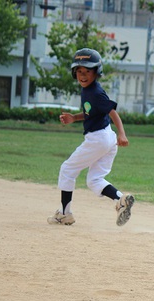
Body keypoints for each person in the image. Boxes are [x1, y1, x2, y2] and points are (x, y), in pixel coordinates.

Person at [47, 48, 134, 227]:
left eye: (87, 71)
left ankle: (64, 214)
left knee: (67, 169)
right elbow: (90, 113)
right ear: (74, 73)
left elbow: (113, 112)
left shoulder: (95, 92)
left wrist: (122, 133)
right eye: (79, 71)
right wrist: (74, 118)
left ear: (96, 72)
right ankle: (121, 199)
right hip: (105, 138)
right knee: (94, 180)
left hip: (99, 139)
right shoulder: (88, 91)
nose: (83, 75)